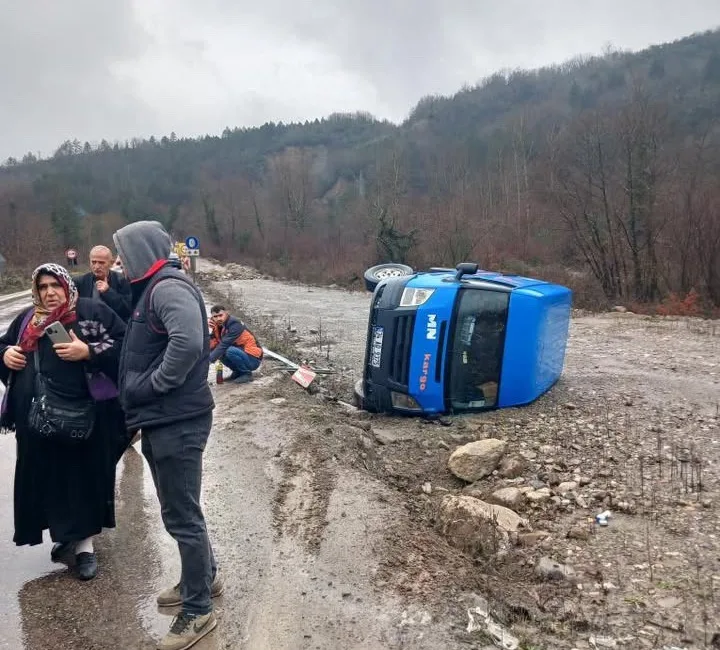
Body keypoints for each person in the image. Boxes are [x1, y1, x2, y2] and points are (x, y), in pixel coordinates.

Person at [113, 220, 221, 650]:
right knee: (182, 510)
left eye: (123, 255)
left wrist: (152, 385)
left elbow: (189, 343)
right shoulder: (154, 287)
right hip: (167, 419)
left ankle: (198, 611)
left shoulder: (167, 288)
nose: (119, 264)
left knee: (182, 516)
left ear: (141, 252)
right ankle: (204, 580)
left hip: (177, 419)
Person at [0, 263, 127, 581]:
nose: (49, 292)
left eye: (55, 285)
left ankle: (85, 548)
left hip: (82, 419)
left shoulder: (90, 313)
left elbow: (126, 347)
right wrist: (5, 355)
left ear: (67, 285)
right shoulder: (29, 320)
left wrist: (89, 352)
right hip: (38, 421)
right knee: (50, 480)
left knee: (79, 478)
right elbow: (3, 345)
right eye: (42, 287)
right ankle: (65, 534)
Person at [75, 245, 132, 321]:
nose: (97, 266)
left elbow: (128, 309)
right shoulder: (80, 282)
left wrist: (108, 292)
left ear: (111, 263)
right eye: (93, 262)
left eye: (101, 263)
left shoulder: (122, 281)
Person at [208, 305, 263, 383]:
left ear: (226, 313)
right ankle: (237, 372)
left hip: (253, 359)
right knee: (217, 350)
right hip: (241, 353)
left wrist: (209, 361)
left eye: (221, 315)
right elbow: (212, 343)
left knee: (227, 350)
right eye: (215, 316)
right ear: (212, 317)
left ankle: (246, 374)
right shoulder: (217, 326)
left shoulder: (234, 324)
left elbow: (224, 344)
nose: (218, 318)